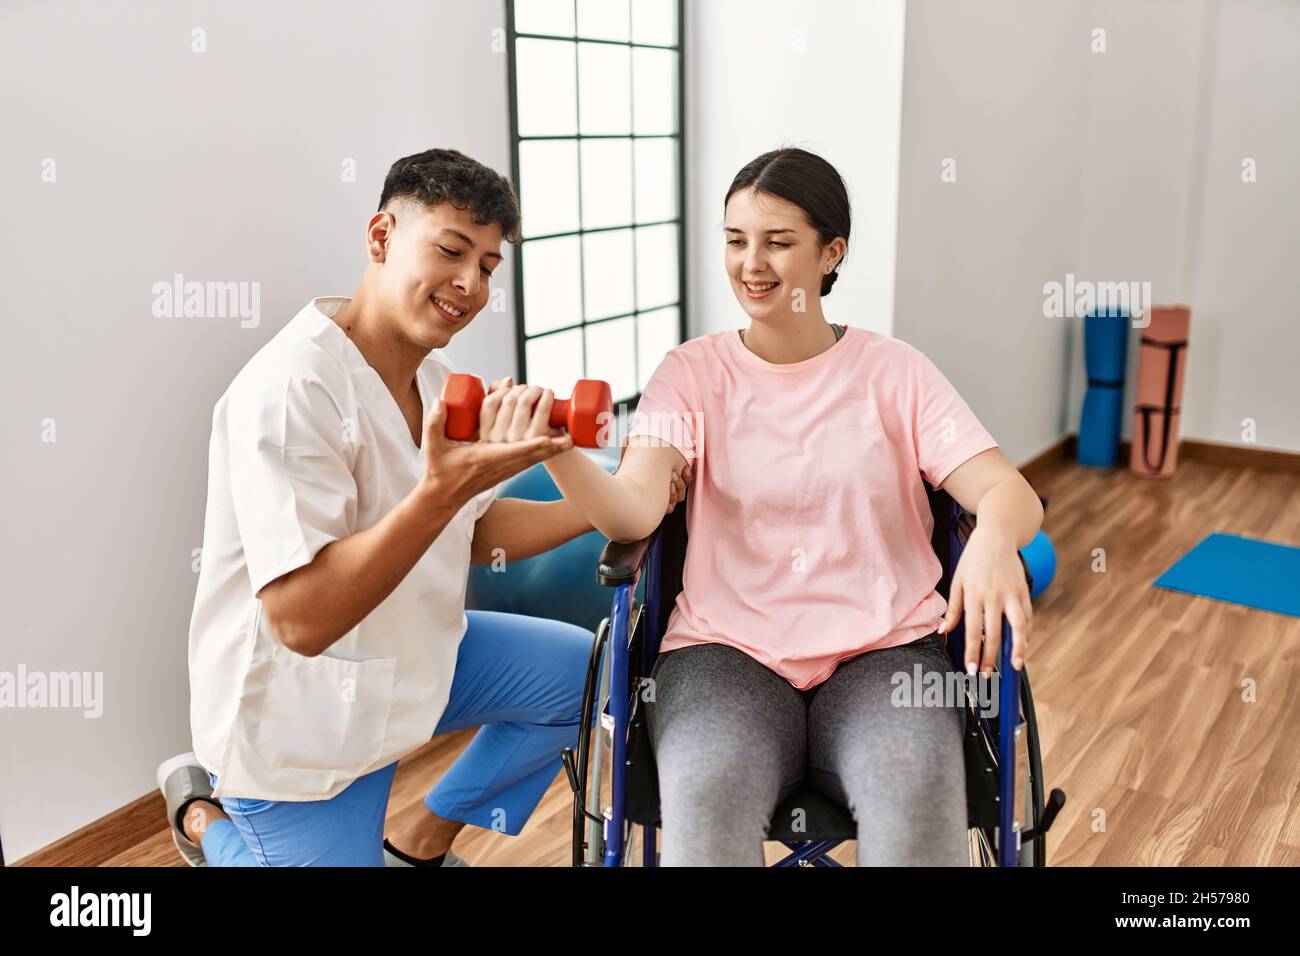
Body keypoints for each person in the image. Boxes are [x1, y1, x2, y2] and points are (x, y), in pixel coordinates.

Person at [487, 147, 1043, 866]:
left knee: (914, 792)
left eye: (778, 242)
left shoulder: (894, 371)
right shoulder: (690, 374)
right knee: (707, 794)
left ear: (830, 253)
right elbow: (631, 514)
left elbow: (1009, 492)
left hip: (886, 652)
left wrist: (997, 539)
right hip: (725, 654)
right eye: (736, 239)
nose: (752, 263)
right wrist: (554, 447)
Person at [156, 148, 688, 867]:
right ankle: (202, 817)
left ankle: (418, 845)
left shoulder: (436, 379)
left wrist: (615, 503)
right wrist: (442, 490)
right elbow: (301, 620)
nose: (470, 284)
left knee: (581, 677)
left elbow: (474, 534)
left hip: (410, 659)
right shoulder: (291, 393)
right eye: (450, 250)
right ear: (381, 237)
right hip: (299, 723)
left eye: (490, 267)